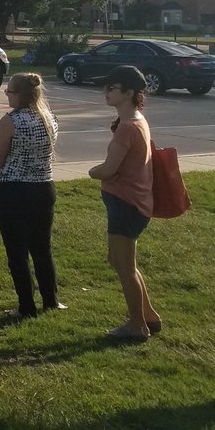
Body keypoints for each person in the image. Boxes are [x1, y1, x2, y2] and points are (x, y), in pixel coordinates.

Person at [88, 65, 159, 342]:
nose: (106, 92)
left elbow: (108, 169)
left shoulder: (128, 127)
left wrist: (93, 171)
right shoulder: (135, 121)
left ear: (129, 92)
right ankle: (148, 315)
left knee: (124, 265)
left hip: (126, 204)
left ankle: (136, 325)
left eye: (112, 88)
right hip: (129, 203)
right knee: (120, 260)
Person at [0, 72, 64, 319]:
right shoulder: (49, 118)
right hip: (43, 187)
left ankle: (26, 305)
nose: (7, 95)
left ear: (20, 95)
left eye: (10, 91)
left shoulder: (11, 120)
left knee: (17, 251)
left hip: (13, 189)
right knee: (42, 247)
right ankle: (51, 299)